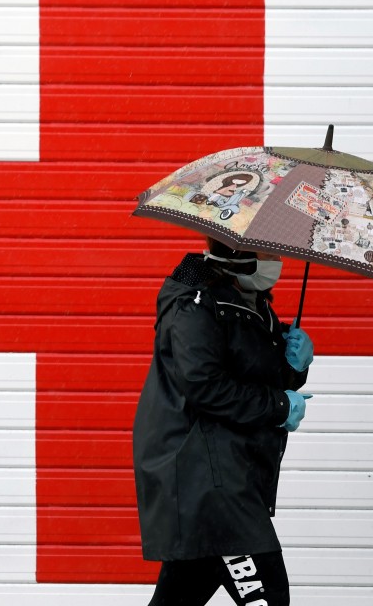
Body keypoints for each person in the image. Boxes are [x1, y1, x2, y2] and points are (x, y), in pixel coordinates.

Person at [132, 237, 315, 606]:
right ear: (239, 254)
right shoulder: (195, 305)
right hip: (207, 480)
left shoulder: (251, 303)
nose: (278, 260)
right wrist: (281, 406)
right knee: (269, 596)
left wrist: (293, 368)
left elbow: (252, 375)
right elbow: (206, 386)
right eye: (269, 252)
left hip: (230, 473)